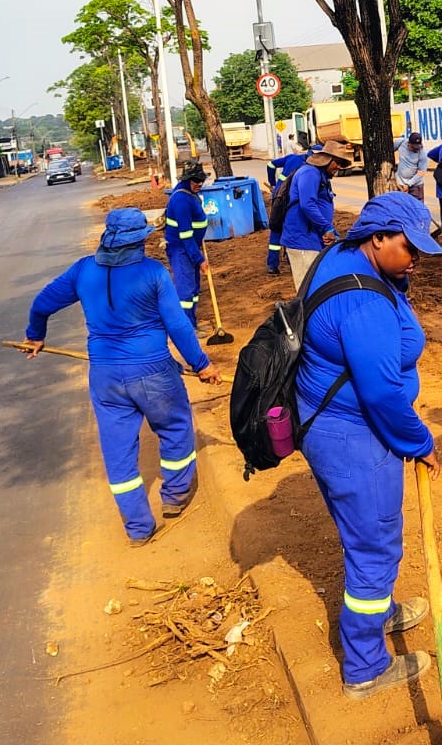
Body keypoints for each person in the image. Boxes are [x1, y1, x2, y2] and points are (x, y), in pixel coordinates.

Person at [296, 191, 442, 697]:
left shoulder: (341, 254)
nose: (416, 261)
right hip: (355, 438)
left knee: (364, 539)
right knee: (376, 545)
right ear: (377, 237)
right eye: (410, 249)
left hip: (333, 428)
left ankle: (379, 609)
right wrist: (419, 440)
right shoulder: (362, 303)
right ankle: (365, 666)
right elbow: (381, 393)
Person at [24, 208, 220, 545]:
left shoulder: (83, 271)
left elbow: (41, 303)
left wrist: (35, 334)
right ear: (139, 240)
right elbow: (177, 326)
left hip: (105, 377)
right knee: (174, 427)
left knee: (118, 451)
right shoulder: (154, 273)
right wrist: (201, 364)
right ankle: (174, 496)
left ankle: (138, 529)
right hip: (154, 371)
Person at [282, 139, 351, 291]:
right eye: (337, 163)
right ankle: (303, 315)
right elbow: (307, 205)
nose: (338, 168)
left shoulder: (321, 176)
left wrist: (331, 232)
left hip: (313, 240)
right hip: (302, 242)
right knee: (306, 291)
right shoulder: (310, 173)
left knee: (317, 288)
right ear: (328, 159)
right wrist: (327, 229)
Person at [163, 162, 209, 326]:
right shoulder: (181, 200)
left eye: (201, 180)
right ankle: (186, 328)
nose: (200, 184)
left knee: (194, 289)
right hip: (181, 250)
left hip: (190, 248)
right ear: (188, 179)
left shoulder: (189, 193)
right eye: (196, 181)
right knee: (186, 291)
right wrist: (199, 260)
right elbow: (186, 235)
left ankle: (192, 323)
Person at [265, 146, 316, 274]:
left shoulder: (292, 158)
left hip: (278, 198)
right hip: (290, 202)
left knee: (276, 229)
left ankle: (272, 265)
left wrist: (272, 182)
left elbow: (270, 164)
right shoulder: (309, 168)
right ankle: (290, 259)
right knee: (291, 229)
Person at [393, 131, 430, 202]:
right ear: (408, 143)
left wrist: (408, 184)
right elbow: (388, 149)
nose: (416, 149)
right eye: (414, 147)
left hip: (415, 186)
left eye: (418, 147)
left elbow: (421, 173)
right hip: (400, 184)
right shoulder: (401, 142)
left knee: (417, 209)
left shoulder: (422, 154)